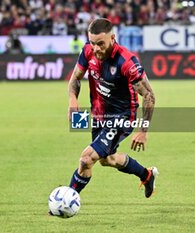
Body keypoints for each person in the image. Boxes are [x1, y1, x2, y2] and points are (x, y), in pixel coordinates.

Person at [65, 18, 158, 203]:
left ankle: (65, 201)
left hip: (123, 116)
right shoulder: (87, 51)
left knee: (86, 159)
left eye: (101, 43)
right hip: (99, 115)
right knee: (108, 159)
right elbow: (75, 77)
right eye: (93, 43)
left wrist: (143, 131)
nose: (96, 48)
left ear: (112, 38)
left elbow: (149, 96)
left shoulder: (126, 61)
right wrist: (72, 99)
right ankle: (147, 175)